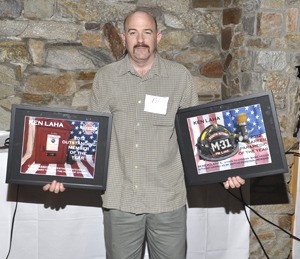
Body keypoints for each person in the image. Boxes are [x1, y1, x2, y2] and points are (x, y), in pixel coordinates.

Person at [43, 9, 245, 259]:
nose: (140, 40)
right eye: (133, 32)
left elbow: (198, 136)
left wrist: (224, 170)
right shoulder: (106, 78)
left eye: (147, 32)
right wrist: (62, 173)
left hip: (167, 201)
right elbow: (91, 138)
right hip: (121, 200)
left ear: (158, 37)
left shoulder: (179, 77)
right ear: (123, 38)